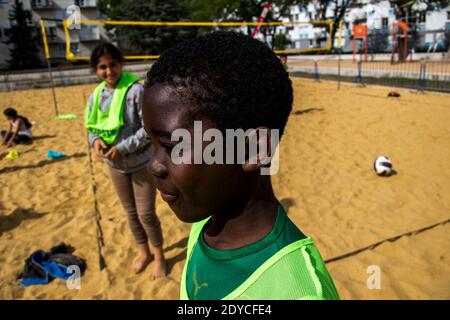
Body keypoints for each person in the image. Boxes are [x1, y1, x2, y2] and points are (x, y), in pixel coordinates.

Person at [142, 32, 339, 299]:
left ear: (253, 149)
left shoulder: (299, 292)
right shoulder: (205, 223)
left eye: (173, 146)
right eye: (149, 141)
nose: (154, 165)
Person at [85, 43, 166, 279]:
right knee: (130, 214)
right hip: (115, 166)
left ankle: (160, 256)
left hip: (141, 164)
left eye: (113, 65)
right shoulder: (97, 96)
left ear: (120, 64)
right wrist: (95, 141)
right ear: (96, 70)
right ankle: (144, 252)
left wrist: (122, 147)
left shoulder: (136, 91)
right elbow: (93, 127)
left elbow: (148, 128)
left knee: (147, 214)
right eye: (102, 67)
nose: (109, 71)